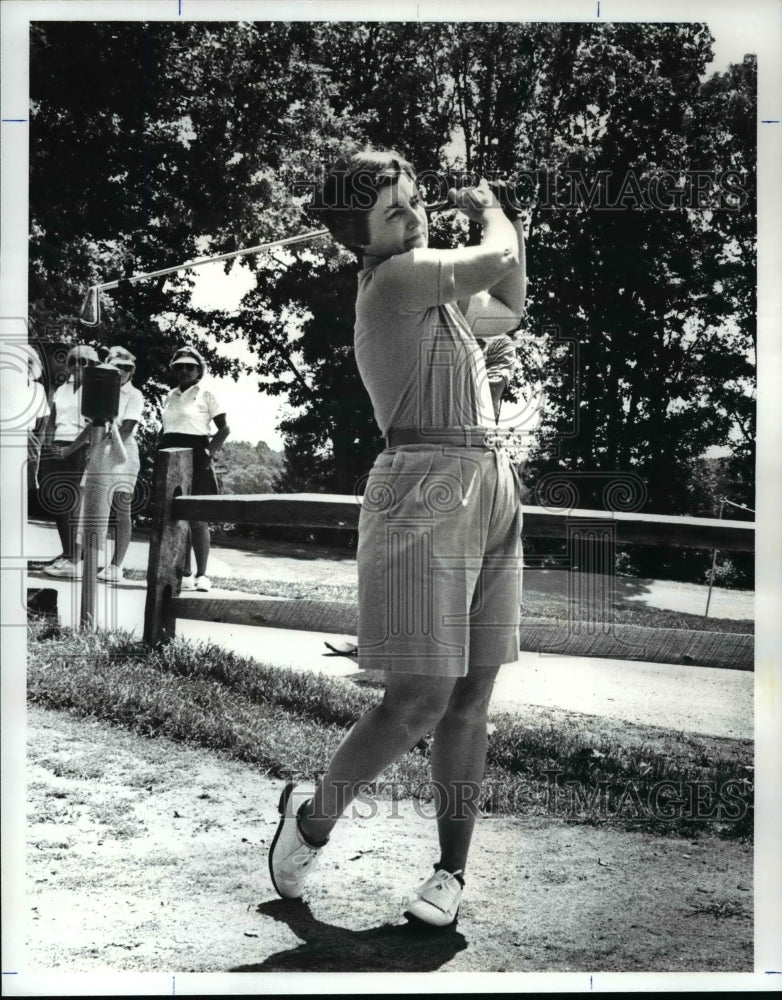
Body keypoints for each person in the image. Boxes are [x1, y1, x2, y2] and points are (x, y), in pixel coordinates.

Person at [269, 149, 526, 927]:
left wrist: (502, 226)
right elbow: (499, 255)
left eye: (414, 203)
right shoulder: (396, 280)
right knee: (418, 698)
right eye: (394, 213)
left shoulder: (435, 293)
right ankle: (311, 820)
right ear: (362, 239)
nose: (415, 218)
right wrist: (491, 209)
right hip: (423, 485)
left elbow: (510, 300)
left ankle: (448, 875)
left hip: (488, 481)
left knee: (472, 698)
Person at [158, 346, 230, 593]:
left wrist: (208, 453)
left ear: (199, 370)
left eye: (190, 366)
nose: (185, 371)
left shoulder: (207, 394)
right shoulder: (170, 395)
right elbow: (167, 428)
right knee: (175, 517)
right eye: (179, 366)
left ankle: (202, 575)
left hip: (197, 455)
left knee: (198, 519)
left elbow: (224, 429)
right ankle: (183, 572)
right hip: (170, 456)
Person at [81, 346, 145, 583]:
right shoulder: (101, 388)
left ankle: (116, 565)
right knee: (92, 506)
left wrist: (104, 446)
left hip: (121, 451)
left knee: (121, 509)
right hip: (100, 448)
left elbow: (127, 428)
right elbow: (92, 424)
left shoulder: (135, 395)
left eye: (128, 368)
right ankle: (86, 560)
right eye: (118, 366)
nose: (123, 371)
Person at [42, 344, 99, 577]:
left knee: (72, 504)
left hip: (79, 448)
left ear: (93, 365)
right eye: (73, 361)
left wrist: (71, 450)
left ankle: (74, 558)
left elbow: (93, 425)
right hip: (57, 446)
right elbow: (52, 420)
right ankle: (67, 553)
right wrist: (47, 444)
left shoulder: (96, 389)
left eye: (84, 361)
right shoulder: (61, 390)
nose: (78, 365)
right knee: (58, 503)